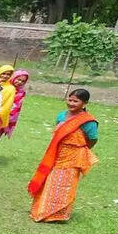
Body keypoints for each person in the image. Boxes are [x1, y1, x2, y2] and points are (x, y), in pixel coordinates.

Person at [29, 88, 98, 223]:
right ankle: (41, 210)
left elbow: (93, 138)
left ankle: (58, 214)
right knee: (49, 180)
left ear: (84, 103)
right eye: (70, 100)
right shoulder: (61, 116)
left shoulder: (88, 121)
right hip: (56, 152)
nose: (71, 103)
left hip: (73, 156)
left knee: (65, 184)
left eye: (75, 101)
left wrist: (78, 148)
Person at [4, 70, 30, 138]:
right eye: (18, 79)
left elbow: (16, 108)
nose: (20, 82)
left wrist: (8, 120)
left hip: (7, 120)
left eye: (23, 81)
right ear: (14, 77)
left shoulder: (21, 93)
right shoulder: (4, 87)